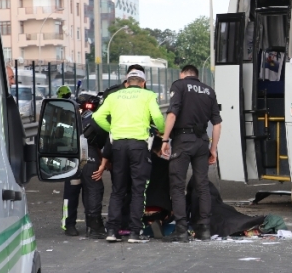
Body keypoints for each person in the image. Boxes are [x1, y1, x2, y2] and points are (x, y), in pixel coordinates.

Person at [93, 69, 165, 243]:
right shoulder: (147, 96)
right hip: (138, 146)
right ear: (142, 83)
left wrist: (112, 129)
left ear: (127, 82)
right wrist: (162, 130)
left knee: (118, 190)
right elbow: (157, 116)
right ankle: (134, 232)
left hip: (118, 146)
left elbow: (97, 116)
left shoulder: (114, 96)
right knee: (138, 190)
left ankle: (112, 230)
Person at [160, 64, 222, 242]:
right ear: (196, 75)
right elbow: (217, 123)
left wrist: (165, 139)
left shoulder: (179, 85)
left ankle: (181, 230)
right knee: (202, 185)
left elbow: (172, 114)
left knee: (177, 185)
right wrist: (213, 149)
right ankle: (204, 229)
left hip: (183, 141)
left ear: (183, 74)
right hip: (202, 141)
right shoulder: (209, 91)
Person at [61, 92, 108, 238]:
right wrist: (105, 162)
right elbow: (104, 143)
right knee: (93, 190)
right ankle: (93, 226)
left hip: (72, 159)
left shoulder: (69, 118)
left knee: (71, 192)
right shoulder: (98, 119)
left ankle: (69, 224)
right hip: (89, 158)